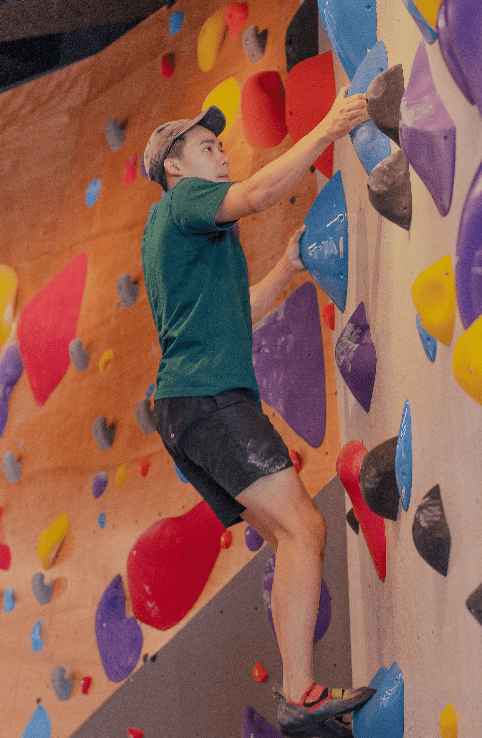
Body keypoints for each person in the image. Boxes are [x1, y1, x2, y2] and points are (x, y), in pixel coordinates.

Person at [140, 88, 372, 738]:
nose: (222, 154)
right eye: (207, 147)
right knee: (304, 528)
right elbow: (260, 193)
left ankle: (300, 694)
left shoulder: (177, 238)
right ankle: (299, 695)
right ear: (175, 168)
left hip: (186, 408)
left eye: (221, 145)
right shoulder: (183, 202)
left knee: (288, 535)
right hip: (210, 397)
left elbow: (238, 316)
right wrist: (328, 127)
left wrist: (290, 268)